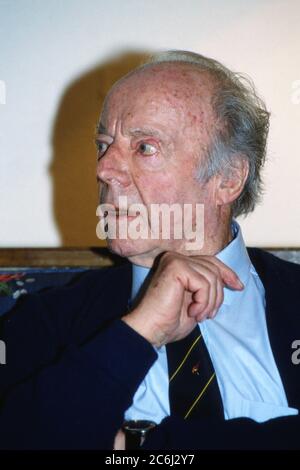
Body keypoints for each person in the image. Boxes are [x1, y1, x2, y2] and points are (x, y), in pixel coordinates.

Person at [0, 50, 300, 450]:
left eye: (144, 147)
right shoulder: (43, 321)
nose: (104, 169)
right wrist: (138, 332)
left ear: (228, 179)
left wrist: (136, 446)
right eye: (103, 144)